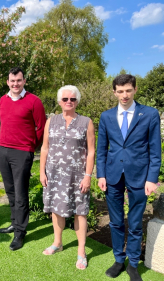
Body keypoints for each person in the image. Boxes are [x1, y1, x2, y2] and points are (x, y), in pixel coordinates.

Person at [97, 74, 161, 281]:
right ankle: (118, 259)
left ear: (134, 89)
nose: (124, 95)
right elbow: (102, 150)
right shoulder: (106, 116)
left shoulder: (149, 114)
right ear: (114, 92)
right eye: (120, 91)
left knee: (134, 222)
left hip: (140, 175)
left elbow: (155, 150)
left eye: (128, 90)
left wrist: (152, 178)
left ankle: (133, 264)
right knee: (116, 222)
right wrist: (101, 175)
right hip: (113, 174)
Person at [40, 85, 95, 269]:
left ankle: (81, 251)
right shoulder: (51, 121)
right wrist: (42, 172)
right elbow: (45, 148)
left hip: (77, 176)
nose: (69, 102)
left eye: (72, 99)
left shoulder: (86, 122)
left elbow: (91, 151)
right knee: (56, 209)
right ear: (59, 102)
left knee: (80, 211)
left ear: (77, 101)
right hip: (54, 175)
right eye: (65, 99)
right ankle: (58, 242)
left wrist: (88, 176)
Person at [0, 67, 46, 251]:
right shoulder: (3, 100)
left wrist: (31, 146)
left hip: (22, 152)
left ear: (24, 81)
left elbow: (41, 127)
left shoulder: (34, 101)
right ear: (8, 82)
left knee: (20, 193)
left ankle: (20, 232)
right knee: (10, 191)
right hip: (3, 149)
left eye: (19, 80)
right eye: (12, 80)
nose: (15, 84)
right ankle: (14, 223)